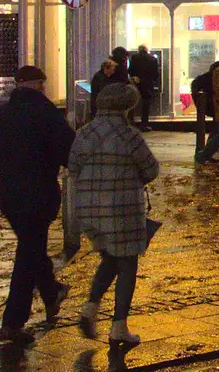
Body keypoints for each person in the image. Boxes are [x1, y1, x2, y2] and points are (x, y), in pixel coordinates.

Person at [71, 81, 160, 346]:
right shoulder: (128, 135)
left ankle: (90, 307)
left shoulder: (85, 132)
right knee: (127, 263)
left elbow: (73, 166)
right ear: (127, 106)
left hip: (89, 206)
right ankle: (119, 325)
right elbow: (151, 168)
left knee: (109, 257)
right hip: (122, 208)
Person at [0, 66, 75, 343]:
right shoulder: (47, 114)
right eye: (43, 84)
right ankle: (13, 321)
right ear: (39, 85)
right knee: (27, 253)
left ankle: (51, 291)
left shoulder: (4, 113)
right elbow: (68, 152)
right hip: (37, 194)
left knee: (31, 246)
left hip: (7, 195)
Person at [128, 45, 159, 128]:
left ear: (138, 50)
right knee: (146, 105)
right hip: (148, 84)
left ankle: (131, 123)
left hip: (136, 83)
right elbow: (155, 73)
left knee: (132, 103)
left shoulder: (134, 58)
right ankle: (144, 124)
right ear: (147, 50)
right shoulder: (153, 59)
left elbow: (130, 71)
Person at [190, 62, 215, 158]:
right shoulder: (212, 78)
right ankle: (204, 155)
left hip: (210, 106)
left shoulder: (202, 79)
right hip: (213, 106)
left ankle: (205, 153)